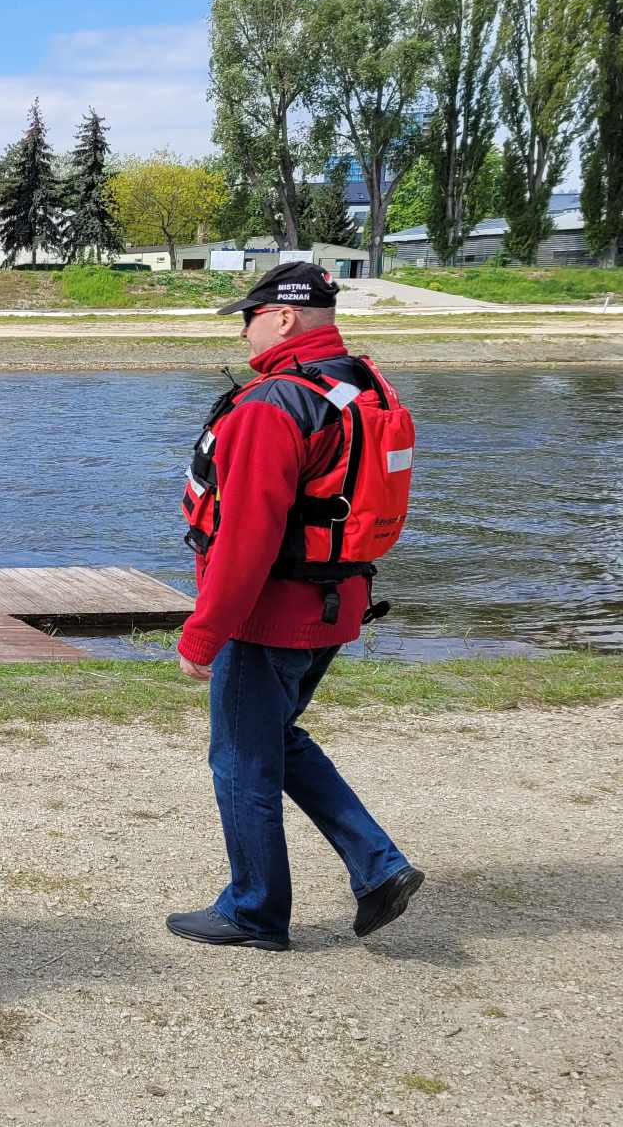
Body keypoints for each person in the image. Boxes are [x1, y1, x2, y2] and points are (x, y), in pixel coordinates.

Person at [168, 261, 425, 952]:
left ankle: (254, 913)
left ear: (283, 318)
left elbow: (245, 539)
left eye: (249, 317)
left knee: (241, 760)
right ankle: (378, 868)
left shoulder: (272, 404)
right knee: (274, 738)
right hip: (336, 605)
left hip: (269, 615)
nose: (245, 331)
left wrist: (203, 635)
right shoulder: (363, 386)